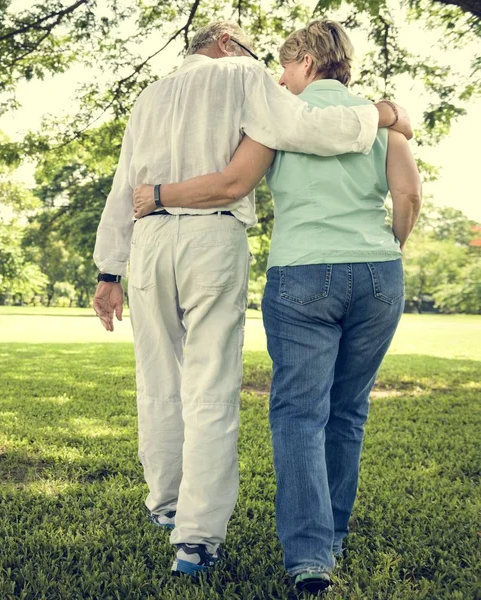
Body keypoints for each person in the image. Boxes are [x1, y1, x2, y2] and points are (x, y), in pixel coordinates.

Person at [93, 19, 413, 579]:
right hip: (210, 235)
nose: (273, 70)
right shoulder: (244, 74)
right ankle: (196, 539)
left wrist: (108, 270)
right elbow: (308, 129)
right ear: (226, 45)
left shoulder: (148, 96)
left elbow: (125, 184)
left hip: (146, 240)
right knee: (211, 385)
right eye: (253, 50)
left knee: (158, 379)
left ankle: (165, 503)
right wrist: (383, 114)